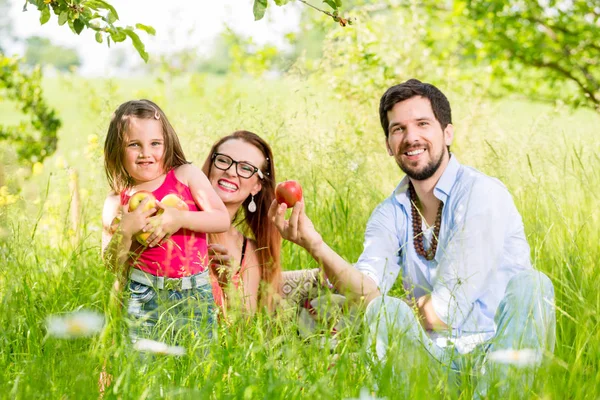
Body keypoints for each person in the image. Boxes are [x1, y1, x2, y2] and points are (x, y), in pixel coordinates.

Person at [269, 79, 556, 394]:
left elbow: (445, 312)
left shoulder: (481, 194)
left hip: (497, 352)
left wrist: (394, 304)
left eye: (422, 124)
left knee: (533, 285)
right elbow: (366, 290)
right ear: (389, 144)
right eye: (398, 129)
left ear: (447, 133)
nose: (411, 137)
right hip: (432, 360)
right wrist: (315, 245)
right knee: (384, 311)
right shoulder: (390, 213)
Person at [101, 99, 230, 342]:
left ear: (167, 143)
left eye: (155, 143)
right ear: (117, 149)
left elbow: (221, 218)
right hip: (143, 294)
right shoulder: (117, 200)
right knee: (145, 371)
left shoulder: (185, 175)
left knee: (199, 365)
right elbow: (111, 264)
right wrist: (125, 232)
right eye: (134, 144)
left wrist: (179, 217)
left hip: (194, 291)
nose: (145, 153)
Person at [201, 130, 282, 314]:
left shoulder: (250, 251)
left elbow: (243, 327)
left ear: (256, 186)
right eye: (223, 160)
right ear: (210, 166)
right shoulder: (181, 218)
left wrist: (227, 284)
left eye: (245, 168)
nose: (230, 172)